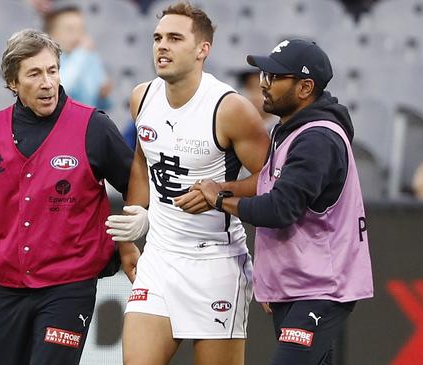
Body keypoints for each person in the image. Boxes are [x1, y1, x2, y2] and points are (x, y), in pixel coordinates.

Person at [0, 29, 138, 365]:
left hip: (69, 287)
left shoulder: (92, 126)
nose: (47, 82)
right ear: (13, 82)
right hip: (6, 290)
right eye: (35, 73)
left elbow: (136, 182)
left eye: (53, 70)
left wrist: (134, 227)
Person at [104, 3, 270, 365]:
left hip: (216, 263)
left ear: (202, 50)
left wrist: (219, 193)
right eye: (158, 38)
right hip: (160, 259)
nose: (162, 46)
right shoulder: (141, 97)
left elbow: (273, 180)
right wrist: (129, 238)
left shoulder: (230, 109)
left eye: (175, 38)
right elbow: (141, 159)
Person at [191, 39, 374, 365]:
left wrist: (218, 199)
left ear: (305, 87)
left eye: (275, 77)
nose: (264, 83)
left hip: (320, 289)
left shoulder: (317, 139)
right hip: (297, 285)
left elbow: (279, 209)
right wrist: (222, 187)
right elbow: (266, 185)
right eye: (264, 74)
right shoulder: (289, 128)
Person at [44, 5, 112, 109]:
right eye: (70, 30)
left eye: (81, 29)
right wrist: (81, 53)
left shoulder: (90, 58)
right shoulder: (45, 61)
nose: (77, 35)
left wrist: (103, 96)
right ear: (51, 34)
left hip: (87, 121)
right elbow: (61, 88)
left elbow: (103, 105)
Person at [236, 69, 279, 134]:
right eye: (250, 87)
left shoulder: (285, 126)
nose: (255, 95)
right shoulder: (236, 126)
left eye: (262, 88)